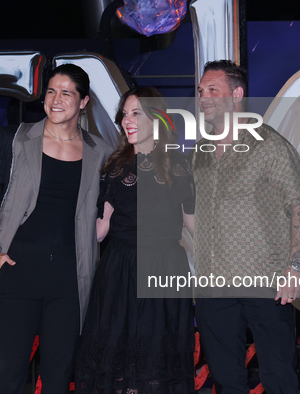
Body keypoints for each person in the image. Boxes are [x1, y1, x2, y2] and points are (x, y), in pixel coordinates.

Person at [0, 63, 113, 394]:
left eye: (66, 93)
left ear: (84, 101)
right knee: (8, 376)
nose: (55, 99)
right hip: (17, 268)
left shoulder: (100, 152)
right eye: (50, 91)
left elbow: (107, 212)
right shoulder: (13, 139)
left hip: (69, 278)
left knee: (59, 379)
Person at [191, 60, 300, 394]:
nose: (204, 98)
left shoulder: (269, 145)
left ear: (238, 94)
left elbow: (299, 207)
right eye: (201, 91)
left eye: (213, 89)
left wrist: (295, 269)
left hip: (266, 281)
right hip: (212, 283)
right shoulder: (200, 149)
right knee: (226, 378)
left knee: (278, 375)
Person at [74, 87, 196, 394]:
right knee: (119, 353)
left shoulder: (178, 165)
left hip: (165, 268)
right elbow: (100, 229)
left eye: (136, 113)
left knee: (157, 355)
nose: (127, 120)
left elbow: (193, 224)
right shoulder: (115, 166)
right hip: (121, 269)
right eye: (124, 114)